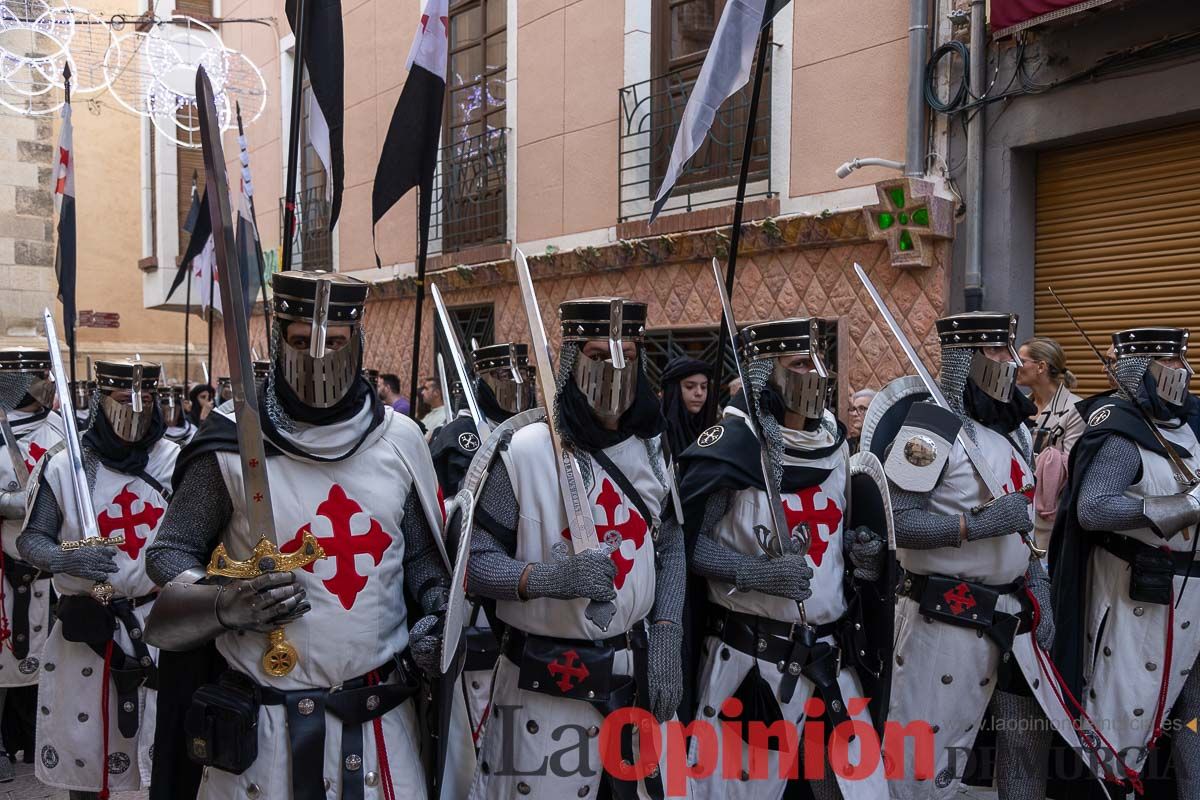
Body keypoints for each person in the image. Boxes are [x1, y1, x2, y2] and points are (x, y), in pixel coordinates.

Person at [143, 270, 460, 800]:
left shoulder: (401, 440)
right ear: (278, 341)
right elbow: (169, 552)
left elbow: (423, 560)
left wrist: (434, 612)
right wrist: (224, 602)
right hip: (266, 730)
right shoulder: (230, 440)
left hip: (379, 722)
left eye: (335, 342)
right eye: (299, 342)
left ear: (356, 343)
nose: (318, 358)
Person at [465, 296, 685, 799]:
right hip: (543, 688)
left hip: (633, 670)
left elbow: (670, 542)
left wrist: (669, 630)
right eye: (598, 355)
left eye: (627, 354)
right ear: (571, 361)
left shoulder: (652, 445)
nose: (614, 369)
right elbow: (475, 564)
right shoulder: (523, 451)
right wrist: (546, 579)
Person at [677, 318, 889, 800]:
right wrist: (756, 573)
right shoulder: (732, 448)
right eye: (798, 364)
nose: (814, 374)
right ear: (764, 374)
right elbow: (686, 546)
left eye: (818, 362)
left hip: (829, 661)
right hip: (750, 667)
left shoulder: (835, 444)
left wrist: (862, 555)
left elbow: (836, 546)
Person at [872, 312, 1074, 800]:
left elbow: (1024, 533)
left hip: (1011, 616)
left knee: (1021, 758)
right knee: (921, 770)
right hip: (943, 621)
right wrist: (973, 525)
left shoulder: (1014, 431)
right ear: (966, 356)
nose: (1011, 363)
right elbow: (894, 522)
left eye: (1011, 351)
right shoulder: (928, 429)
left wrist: (1039, 591)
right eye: (999, 352)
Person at [1050, 326, 1200, 796]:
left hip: (1194, 600)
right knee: (1121, 721)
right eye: (1171, 362)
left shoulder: (1193, 426)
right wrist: (1184, 506)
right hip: (1134, 598)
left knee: (1191, 721)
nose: (1183, 371)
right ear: (1144, 368)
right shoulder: (1120, 433)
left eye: (1183, 360)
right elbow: (1093, 508)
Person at [19, 359, 177, 799]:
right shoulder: (64, 465)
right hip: (88, 628)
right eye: (124, 400)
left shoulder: (178, 461)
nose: (135, 409)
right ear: (101, 401)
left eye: (145, 400)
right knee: (86, 753)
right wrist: (70, 556)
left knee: (164, 752)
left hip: (159, 622)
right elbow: (32, 542)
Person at [0, 349, 64, 778]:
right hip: (3, 566)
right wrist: (15, 503)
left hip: (55, 567)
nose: (46, 380)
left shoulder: (65, 429)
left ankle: (37, 738)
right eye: (37, 373)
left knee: (55, 660)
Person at [1016, 337, 1083, 553]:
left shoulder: (1075, 409)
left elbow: (1073, 466)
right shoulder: (1017, 407)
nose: (1015, 364)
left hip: (1051, 518)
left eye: (1021, 360)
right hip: (1019, 511)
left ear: (1041, 367)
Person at [659, 355, 714, 458]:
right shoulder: (656, 433)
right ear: (673, 390)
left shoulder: (715, 426)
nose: (699, 393)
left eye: (704, 387)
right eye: (690, 386)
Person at [846, 388, 876, 454]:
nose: (854, 414)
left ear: (873, 411)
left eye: (861, 408)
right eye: (853, 409)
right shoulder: (848, 445)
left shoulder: (879, 443)